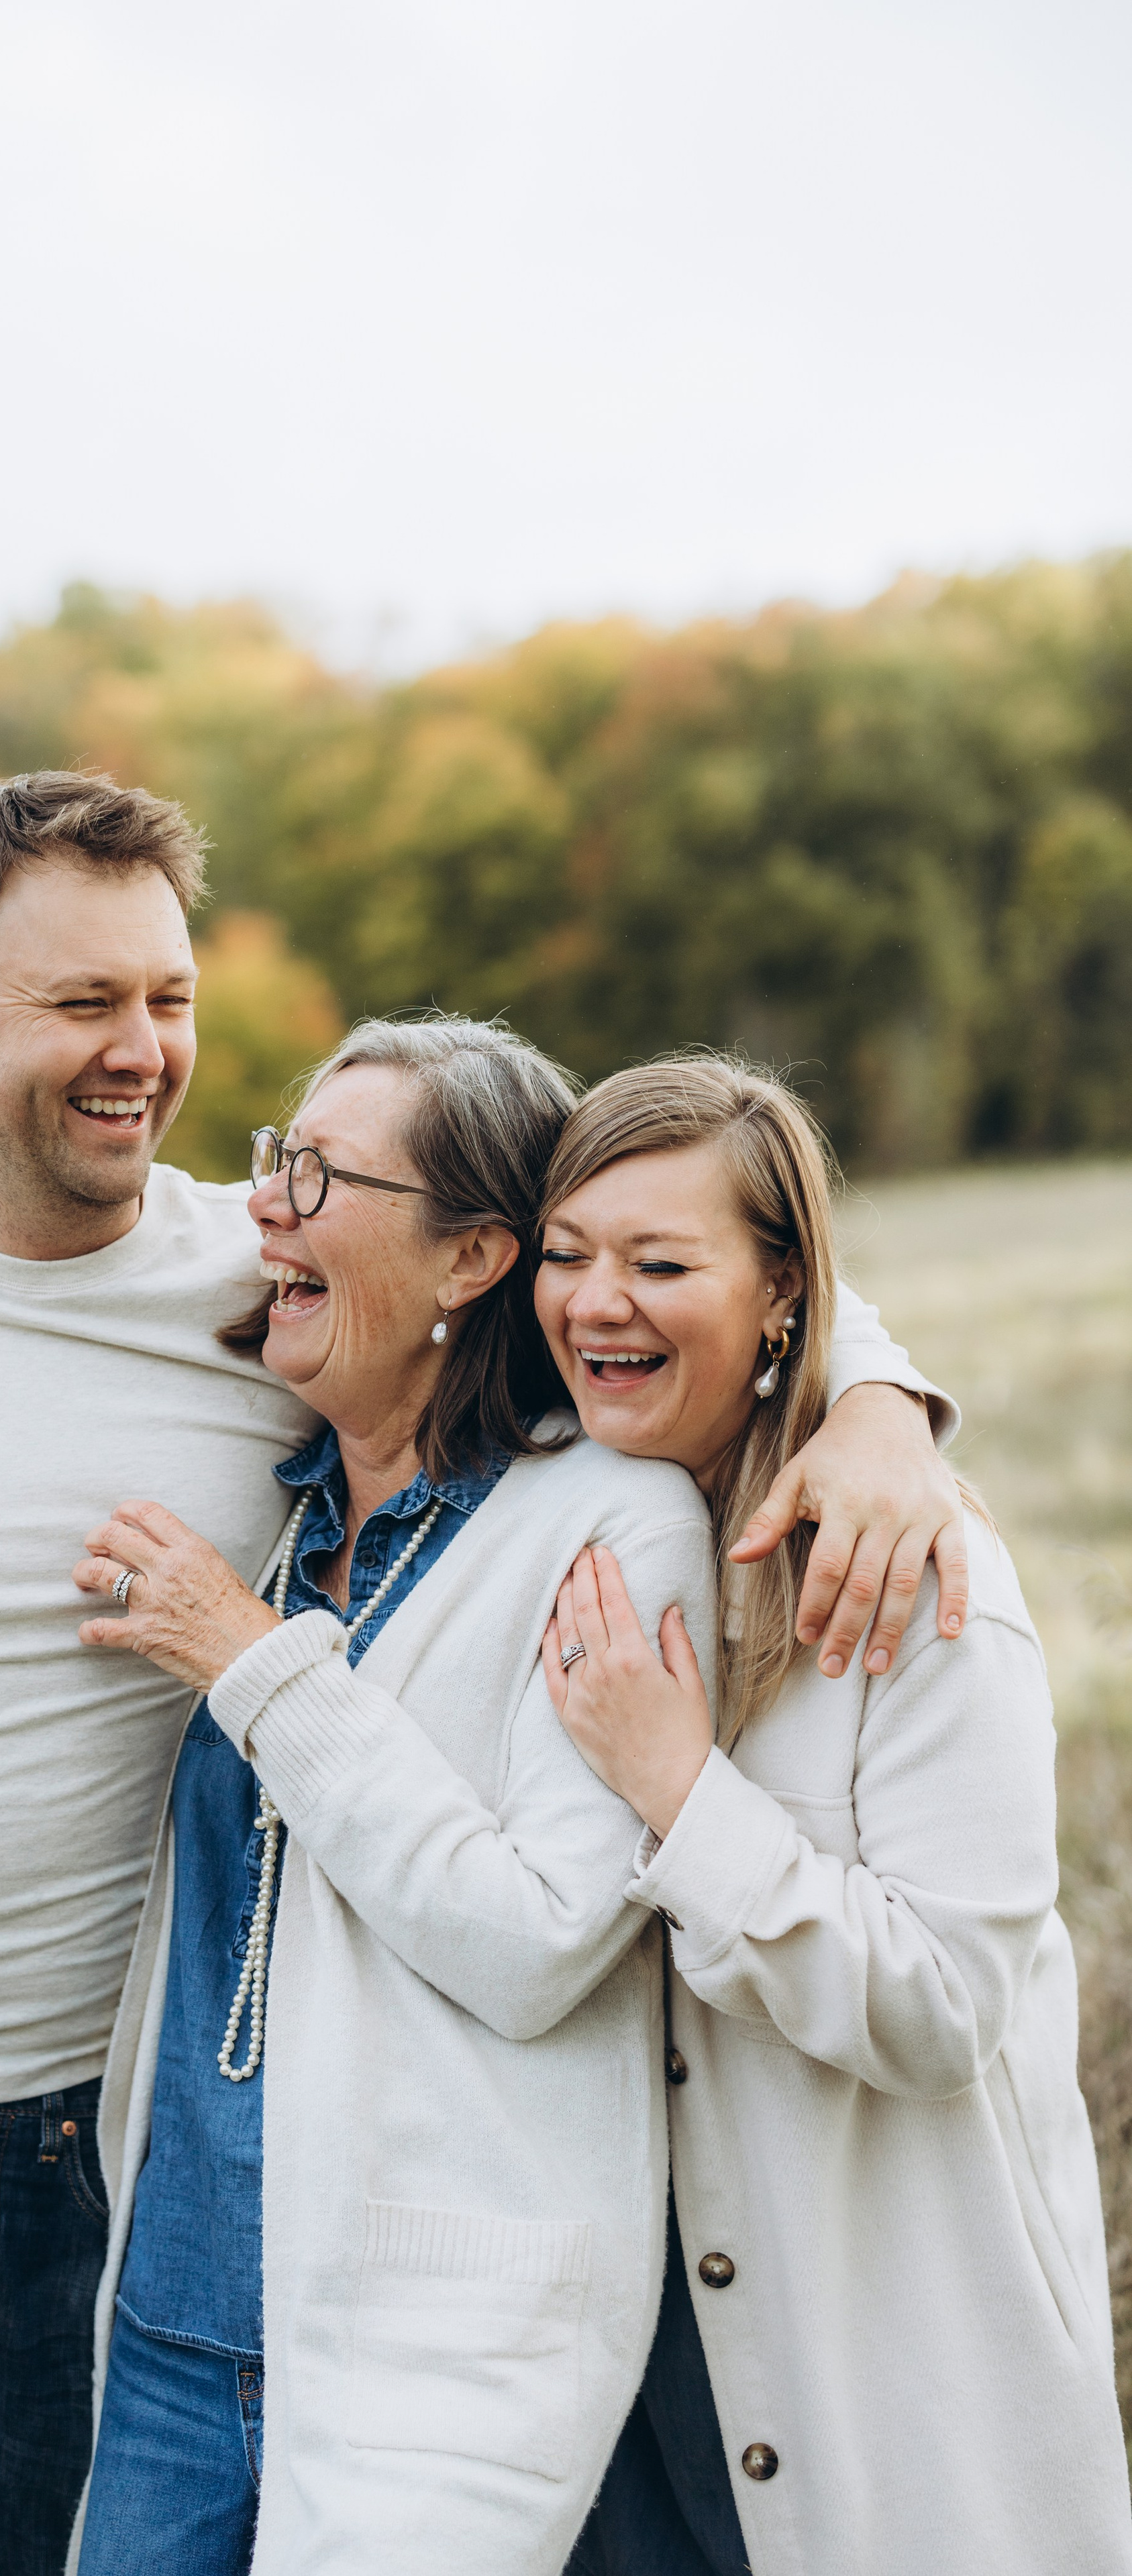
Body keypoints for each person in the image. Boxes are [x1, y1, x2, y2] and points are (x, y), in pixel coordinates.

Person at [0, 763, 951, 2576]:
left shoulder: (270, 1277)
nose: (143, 1051)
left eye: (169, 999)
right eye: (84, 1002)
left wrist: (873, 1399)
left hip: (123, 2153)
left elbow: (610, 1225)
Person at [47, 1016, 951, 2576]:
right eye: (272, 1156)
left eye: (315, 1173)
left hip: (419, 2341)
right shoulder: (289, 1495)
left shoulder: (603, 1522)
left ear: (470, 1259)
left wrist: (255, 1668)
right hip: (175, 2320)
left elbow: (538, 1946)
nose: (264, 1202)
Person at [534, 1056, 1132, 2576]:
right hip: (608, 2393)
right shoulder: (548, 1510)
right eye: (565, 1255)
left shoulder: (913, 1577)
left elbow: (939, 2007)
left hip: (877, 2393)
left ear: (783, 1291)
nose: (594, 1302)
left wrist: (676, 1789)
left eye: (659, 1263)